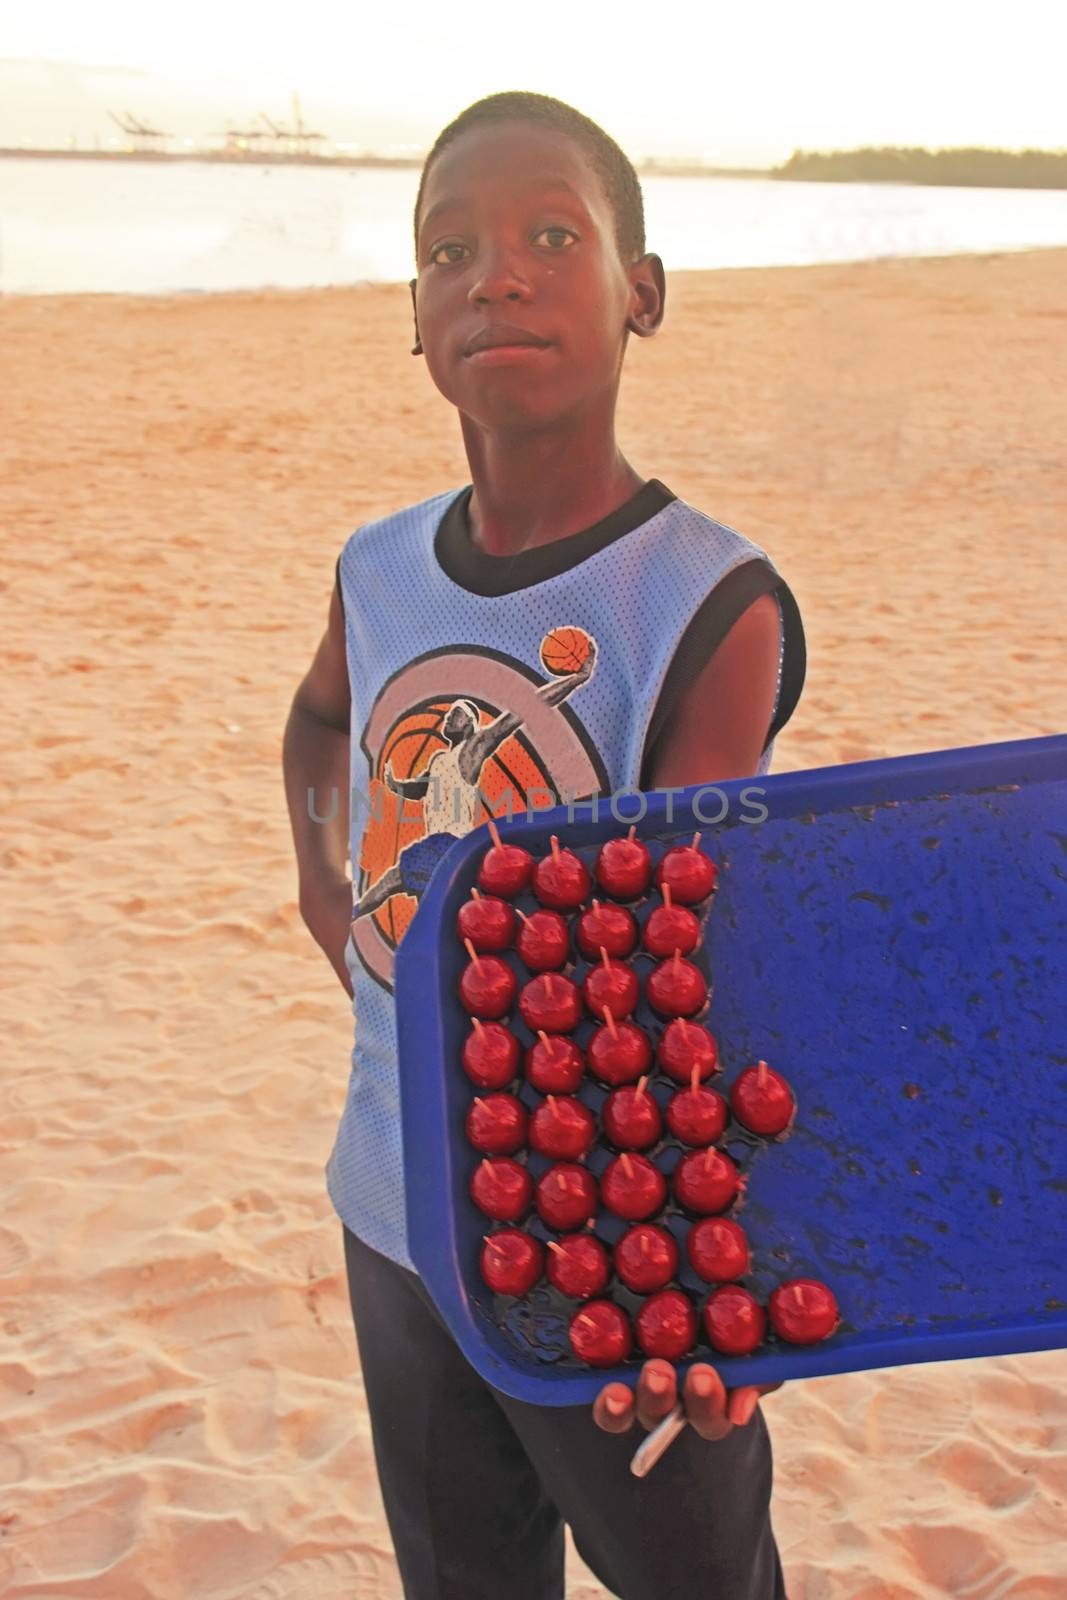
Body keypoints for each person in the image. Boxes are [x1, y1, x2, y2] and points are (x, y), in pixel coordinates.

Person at [282, 89, 806, 1600]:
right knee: (462, 1576)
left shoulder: (708, 604)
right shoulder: (378, 565)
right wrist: (331, 887)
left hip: (601, 1241)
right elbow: (324, 726)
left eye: (550, 238)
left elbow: (712, 953)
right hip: (390, 1205)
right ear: (414, 314)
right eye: (448, 251)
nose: (493, 275)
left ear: (643, 293)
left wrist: (715, 1277)